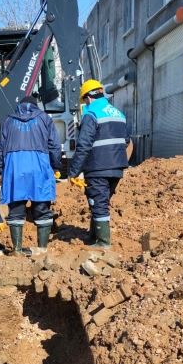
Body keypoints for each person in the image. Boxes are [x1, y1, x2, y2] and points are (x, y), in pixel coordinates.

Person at [0, 95, 61, 253]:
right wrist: (55, 165)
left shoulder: (9, 120)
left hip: (15, 169)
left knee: (16, 210)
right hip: (39, 167)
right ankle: (42, 249)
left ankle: (17, 250)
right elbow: (55, 146)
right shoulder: (45, 118)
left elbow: (0, 147)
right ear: (36, 105)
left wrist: (0, 169)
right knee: (42, 208)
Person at [68, 80, 130, 249]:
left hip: (97, 167)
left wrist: (73, 172)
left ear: (88, 97)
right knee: (99, 201)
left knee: (99, 203)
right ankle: (93, 236)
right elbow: (126, 140)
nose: (85, 104)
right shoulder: (119, 114)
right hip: (116, 168)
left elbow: (83, 146)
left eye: (85, 100)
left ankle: (103, 242)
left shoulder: (91, 114)